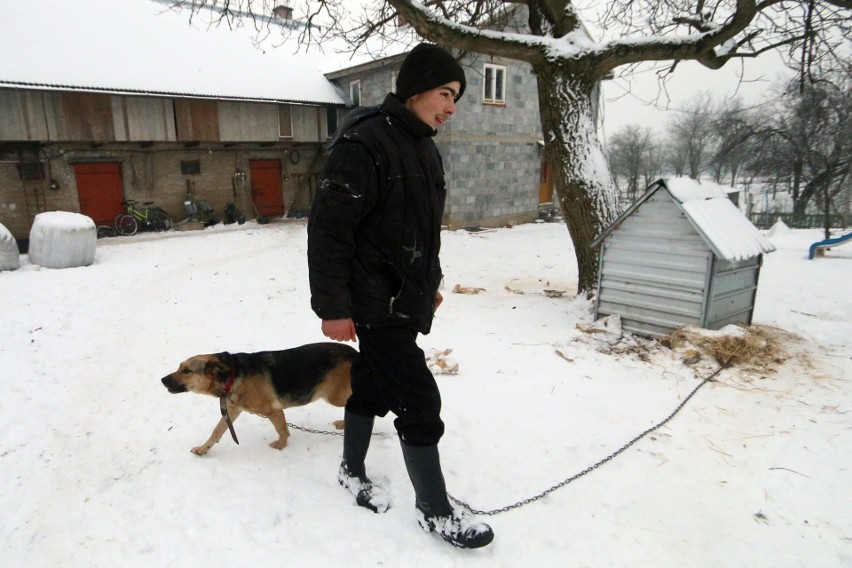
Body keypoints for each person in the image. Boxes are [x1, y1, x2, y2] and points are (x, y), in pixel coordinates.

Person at [307, 42, 494, 549]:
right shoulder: (364, 145)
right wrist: (334, 308)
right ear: (414, 91)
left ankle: (351, 469)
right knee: (418, 399)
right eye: (445, 93)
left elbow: (422, 231)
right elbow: (329, 232)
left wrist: (427, 287)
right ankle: (434, 510)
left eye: (456, 95)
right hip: (371, 303)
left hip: (402, 299)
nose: (452, 106)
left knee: (370, 383)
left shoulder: (422, 146)